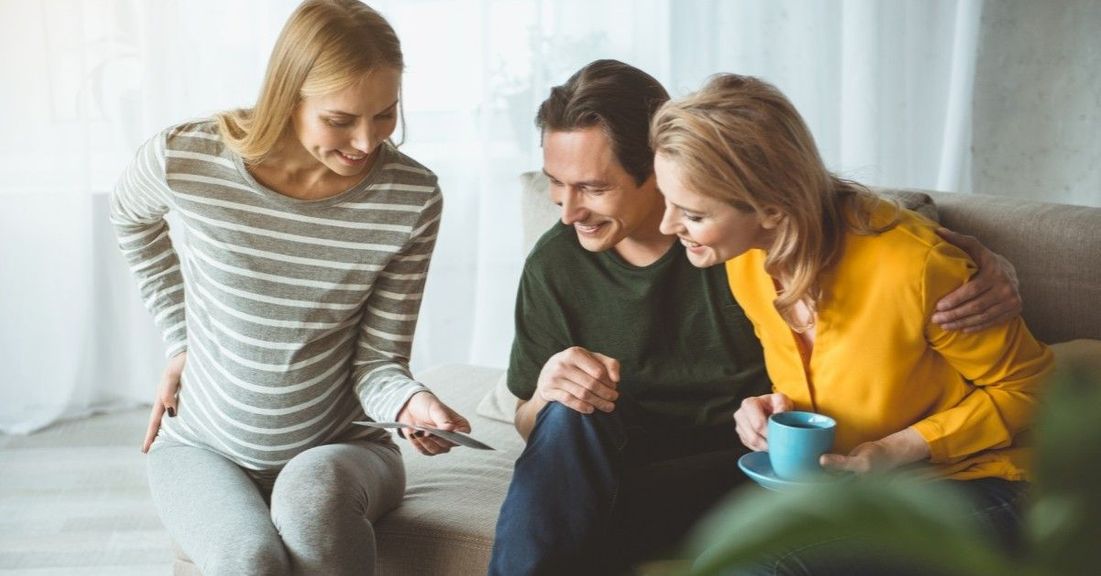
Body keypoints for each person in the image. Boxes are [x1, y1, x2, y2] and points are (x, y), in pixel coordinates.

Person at [488, 60, 1024, 576]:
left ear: (656, 169)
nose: (568, 211)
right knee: (569, 433)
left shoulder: (742, 244)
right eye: (555, 182)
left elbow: (838, 219)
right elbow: (537, 432)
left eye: (594, 187)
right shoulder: (725, 258)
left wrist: (982, 266)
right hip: (675, 472)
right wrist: (546, 393)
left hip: (805, 477)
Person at [110, 2, 470, 575]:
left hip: (345, 450)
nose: (366, 140)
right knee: (249, 559)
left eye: (385, 114)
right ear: (287, 95)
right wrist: (181, 339)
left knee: (312, 500)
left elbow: (377, 362)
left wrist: (410, 402)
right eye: (340, 119)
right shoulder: (185, 158)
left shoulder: (410, 198)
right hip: (202, 448)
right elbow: (131, 220)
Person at [651, 73, 1054, 575]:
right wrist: (770, 410)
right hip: (857, 495)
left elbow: (1033, 389)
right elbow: (835, 380)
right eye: (666, 201)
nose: (667, 225)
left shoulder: (916, 266)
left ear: (771, 209)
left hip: (982, 485)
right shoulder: (745, 260)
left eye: (691, 214)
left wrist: (895, 450)